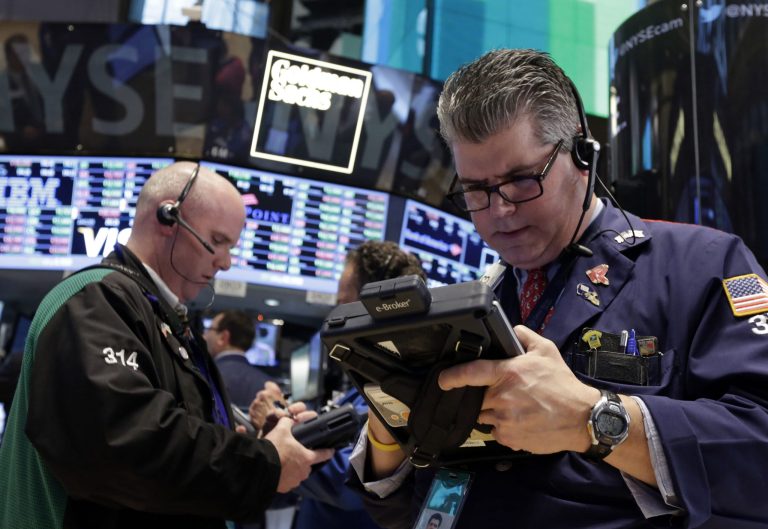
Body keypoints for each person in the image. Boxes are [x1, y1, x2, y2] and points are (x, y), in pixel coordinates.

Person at [349, 49, 768, 528]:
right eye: (475, 190)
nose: (499, 212)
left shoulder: (702, 264)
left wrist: (595, 419)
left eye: (521, 181)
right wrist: (389, 429)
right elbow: (404, 510)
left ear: (583, 157)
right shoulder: (472, 308)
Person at [0, 161, 332, 529]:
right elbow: (124, 445)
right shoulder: (94, 300)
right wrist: (264, 462)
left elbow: (180, 434)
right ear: (168, 217)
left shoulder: (169, 322)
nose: (225, 262)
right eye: (217, 242)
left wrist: (258, 440)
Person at [254, 240, 426, 529]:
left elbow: (349, 484)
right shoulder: (364, 385)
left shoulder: (401, 389)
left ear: (378, 307)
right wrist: (290, 427)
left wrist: (277, 445)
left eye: (343, 303)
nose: (335, 317)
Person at [204, 309, 273, 410]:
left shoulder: (205, 376)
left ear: (223, 337)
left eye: (209, 329)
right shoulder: (269, 384)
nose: (204, 336)